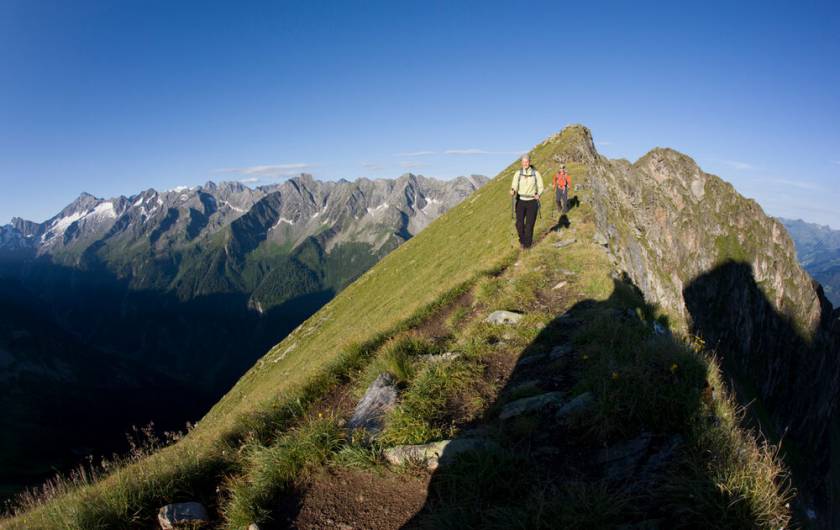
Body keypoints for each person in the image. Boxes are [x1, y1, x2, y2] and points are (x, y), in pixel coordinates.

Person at [510, 155, 544, 249]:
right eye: (524, 162)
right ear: (521, 163)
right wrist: (513, 191)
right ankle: (522, 240)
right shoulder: (518, 173)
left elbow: (541, 186)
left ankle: (527, 246)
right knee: (519, 224)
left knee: (529, 225)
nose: (525, 163)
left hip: (532, 202)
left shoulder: (536, 173)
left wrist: (539, 194)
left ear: (530, 162)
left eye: (527, 162)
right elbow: (514, 185)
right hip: (520, 201)